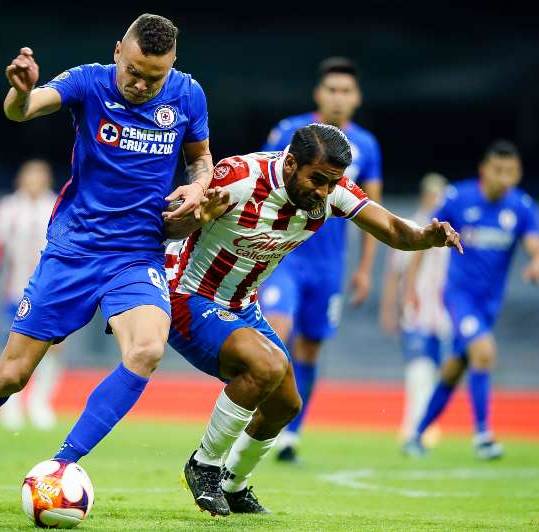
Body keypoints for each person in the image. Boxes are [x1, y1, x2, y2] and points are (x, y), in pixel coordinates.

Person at [0, 13, 214, 510]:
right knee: (11, 376)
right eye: (133, 71)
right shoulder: (88, 82)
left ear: (172, 67)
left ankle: (63, 463)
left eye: (155, 77)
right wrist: (21, 93)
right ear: (117, 53)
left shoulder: (188, 94)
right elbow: (23, 111)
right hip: (74, 251)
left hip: (137, 253)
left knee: (147, 350)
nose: (142, 85)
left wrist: (196, 186)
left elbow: (200, 158)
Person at [164, 124, 463, 516]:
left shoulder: (332, 189)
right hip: (188, 295)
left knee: (286, 405)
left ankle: (233, 484)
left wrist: (425, 237)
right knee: (266, 365)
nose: (323, 191)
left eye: (332, 182)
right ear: (290, 164)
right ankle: (203, 464)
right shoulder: (237, 176)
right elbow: (167, 225)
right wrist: (196, 217)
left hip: (241, 302)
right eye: (317, 180)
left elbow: (391, 228)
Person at [259, 57, 383, 463]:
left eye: (346, 91)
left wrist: (364, 270)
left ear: (358, 98)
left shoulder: (367, 146)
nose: (338, 97)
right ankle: (258, 418)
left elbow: (373, 210)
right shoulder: (290, 133)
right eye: (332, 89)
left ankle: (291, 433)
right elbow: (262, 184)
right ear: (319, 94)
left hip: (329, 264)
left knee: (310, 349)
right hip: (285, 255)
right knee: (277, 329)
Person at [403, 140, 539, 460]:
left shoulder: (522, 206)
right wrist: (412, 283)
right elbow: (424, 236)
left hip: (489, 304)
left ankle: (416, 434)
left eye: (511, 171)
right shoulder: (458, 198)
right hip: (458, 296)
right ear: (484, 170)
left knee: (455, 368)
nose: (504, 177)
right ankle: (483, 435)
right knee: (484, 351)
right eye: (498, 170)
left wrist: (537, 262)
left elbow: (536, 245)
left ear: (519, 172)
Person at [0, 160, 60, 431]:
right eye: (29, 175)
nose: (34, 180)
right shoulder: (8, 207)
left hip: (51, 291)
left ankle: (39, 403)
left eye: (39, 175)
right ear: (20, 179)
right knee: (9, 346)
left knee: (54, 348)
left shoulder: (56, 204)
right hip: (15, 290)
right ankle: (9, 404)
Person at [379, 173, 451, 445]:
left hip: (443, 312)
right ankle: (413, 426)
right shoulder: (412, 226)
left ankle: (426, 425)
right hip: (416, 307)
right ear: (425, 196)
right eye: (434, 195)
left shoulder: (451, 229)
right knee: (418, 368)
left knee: (434, 369)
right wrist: (390, 308)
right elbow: (394, 273)